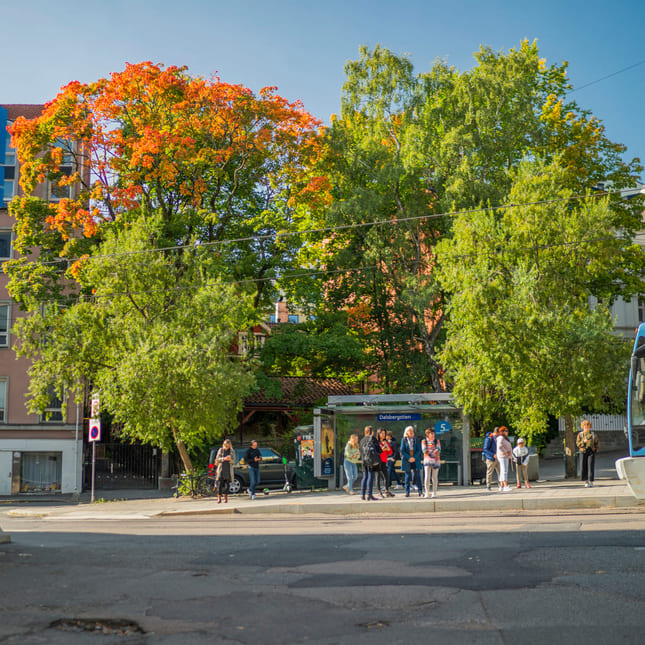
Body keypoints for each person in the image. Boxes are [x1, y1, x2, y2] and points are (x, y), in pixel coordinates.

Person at [400, 425, 423, 497]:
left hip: (415, 459)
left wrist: (414, 457)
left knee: (417, 475)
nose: (411, 432)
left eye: (412, 431)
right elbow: (402, 450)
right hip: (407, 459)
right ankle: (407, 491)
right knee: (407, 476)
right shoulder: (403, 440)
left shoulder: (415, 439)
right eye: (409, 431)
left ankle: (420, 491)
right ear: (406, 432)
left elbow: (419, 450)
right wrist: (409, 457)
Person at [359, 425, 381, 501]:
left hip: (364, 460)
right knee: (371, 477)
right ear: (371, 432)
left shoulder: (362, 440)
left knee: (364, 477)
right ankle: (369, 495)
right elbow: (379, 450)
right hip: (371, 460)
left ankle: (362, 494)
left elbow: (361, 451)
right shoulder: (373, 439)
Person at [576, 419, 599, 487]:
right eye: (585, 427)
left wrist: (596, 449)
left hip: (591, 450)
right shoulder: (580, 434)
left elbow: (597, 442)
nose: (587, 428)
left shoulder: (593, 434)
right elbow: (577, 443)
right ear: (583, 427)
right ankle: (586, 481)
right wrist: (583, 442)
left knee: (590, 466)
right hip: (583, 451)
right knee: (583, 466)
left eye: (588, 427)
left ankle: (591, 481)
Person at [214, 438, 236, 503]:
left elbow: (234, 461)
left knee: (227, 485)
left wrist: (230, 460)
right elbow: (217, 459)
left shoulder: (232, 451)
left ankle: (226, 498)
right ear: (224, 444)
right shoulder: (221, 450)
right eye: (226, 445)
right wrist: (224, 458)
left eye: (228, 445)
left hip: (228, 469)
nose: (227, 446)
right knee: (220, 484)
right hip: (221, 469)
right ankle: (219, 498)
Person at [422, 428, 441, 498]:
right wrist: (431, 454)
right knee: (427, 477)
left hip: (436, 461)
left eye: (433, 433)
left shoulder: (437, 441)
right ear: (428, 434)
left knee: (434, 477)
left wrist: (433, 454)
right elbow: (424, 450)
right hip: (427, 461)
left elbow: (438, 449)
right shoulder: (424, 441)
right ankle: (427, 492)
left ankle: (434, 492)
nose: (433, 434)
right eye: (431, 433)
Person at [376, 428, 395, 497]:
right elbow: (376, 451)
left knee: (386, 476)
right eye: (382, 433)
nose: (383, 435)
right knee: (378, 476)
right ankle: (379, 492)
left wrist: (388, 448)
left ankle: (387, 491)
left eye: (384, 433)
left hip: (384, 461)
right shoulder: (376, 442)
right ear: (378, 434)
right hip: (377, 461)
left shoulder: (385, 442)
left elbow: (390, 452)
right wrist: (382, 448)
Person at [496, 426, 513, 492]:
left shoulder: (504, 438)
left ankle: (501, 486)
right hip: (503, 456)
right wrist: (506, 452)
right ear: (502, 432)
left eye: (507, 431)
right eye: (506, 431)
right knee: (504, 471)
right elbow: (499, 447)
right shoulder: (500, 438)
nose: (507, 432)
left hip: (505, 456)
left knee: (503, 471)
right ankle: (506, 486)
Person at [482, 427, 499, 491]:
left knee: (500, 472)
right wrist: (493, 454)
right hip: (490, 458)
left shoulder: (497, 438)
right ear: (496, 432)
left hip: (498, 458)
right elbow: (485, 449)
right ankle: (488, 485)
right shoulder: (489, 438)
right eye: (499, 433)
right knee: (489, 472)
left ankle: (500, 484)